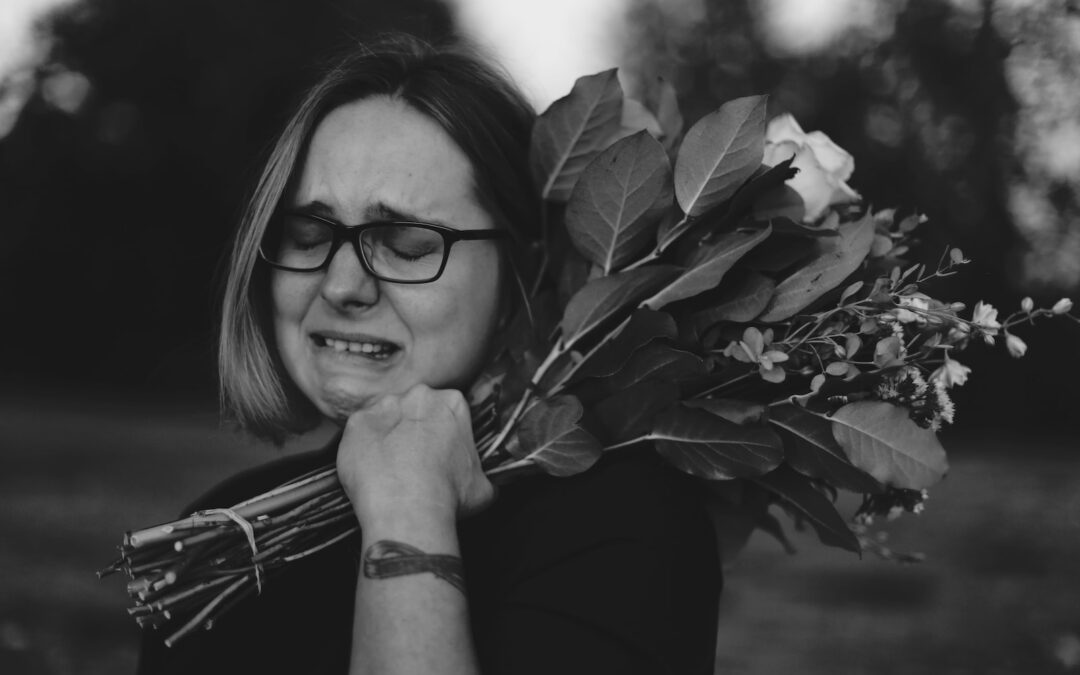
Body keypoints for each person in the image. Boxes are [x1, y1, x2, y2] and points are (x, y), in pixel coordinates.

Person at [137, 34, 721, 675]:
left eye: (407, 244)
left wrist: (408, 509)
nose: (340, 286)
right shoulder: (218, 536)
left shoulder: (624, 530)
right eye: (308, 233)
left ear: (521, 274)